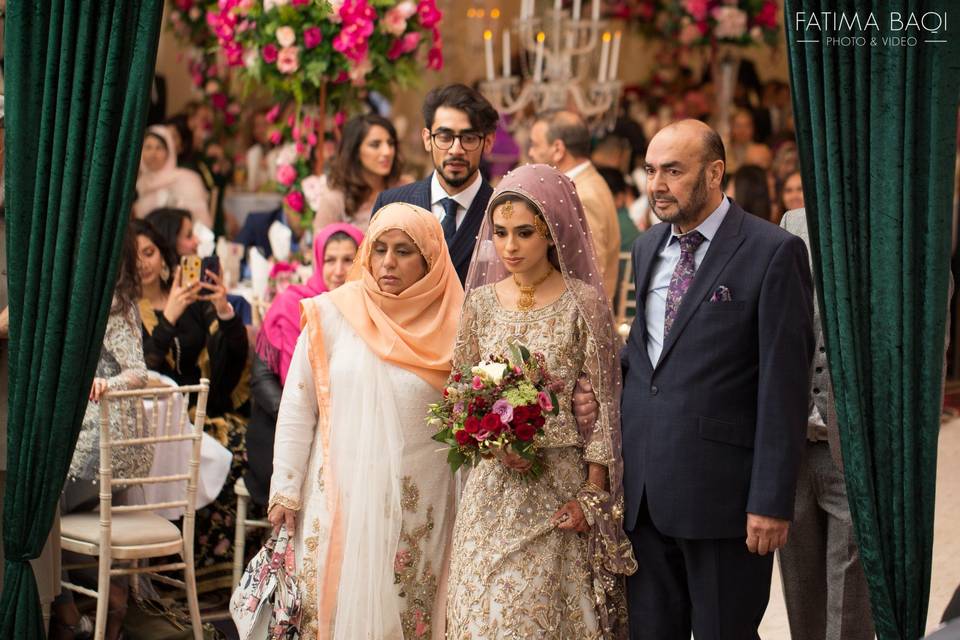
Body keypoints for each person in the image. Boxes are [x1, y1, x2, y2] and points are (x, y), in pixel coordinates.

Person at [618, 119, 814, 639]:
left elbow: (784, 386)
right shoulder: (646, 249)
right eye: (651, 170)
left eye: (673, 171)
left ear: (714, 173)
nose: (657, 184)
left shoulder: (772, 252)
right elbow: (650, 358)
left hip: (724, 500)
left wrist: (771, 501)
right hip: (643, 496)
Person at [445, 164, 636, 638]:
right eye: (502, 232)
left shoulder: (584, 303)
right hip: (490, 492)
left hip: (557, 489)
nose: (510, 247)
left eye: (525, 233)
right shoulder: (481, 303)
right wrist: (488, 441)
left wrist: (592, 495)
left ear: (552, 232)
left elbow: (605, 406)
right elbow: (459, 391)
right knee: (478, 614)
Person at [267, 203, 463, 639]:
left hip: (418, 506)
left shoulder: (457, 328)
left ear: (430, 261)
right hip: (337, 498)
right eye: (379, 249)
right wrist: (286, 489)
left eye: (404, 251)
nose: (388, 262)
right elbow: (298, 405)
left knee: (404, 608)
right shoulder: (332, 315)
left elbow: (466, 425)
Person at [778, 208, 875, 640]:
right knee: (802, 600)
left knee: (851, 606)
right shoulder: (794, 224)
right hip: (792, 447)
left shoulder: (901, 223)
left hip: (857, 450)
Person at [50, 227, 150, 640]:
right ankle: (99, 615)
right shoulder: (87, 300)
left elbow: (138, 372)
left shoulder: (110, 303)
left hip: (105, 442)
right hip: (105, 441)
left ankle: (68, 612)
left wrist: (104, 384)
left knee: (38, 503)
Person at [132, 220, 250, 569]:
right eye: (134, 257)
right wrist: (168, 319)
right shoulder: (124, 310)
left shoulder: (192, 301)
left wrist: (225, 312)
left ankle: (217, 572)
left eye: (149, 252)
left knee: (246, 449)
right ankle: (179, 565)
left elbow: (230, 365)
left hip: (203, 413)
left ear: (164, 254)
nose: (144, 263)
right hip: (155, 426)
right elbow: (142, 371)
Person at [244, 223, 363, 507]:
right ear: (318, 261)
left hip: (348, 431)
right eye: (330, 260)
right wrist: (308, 415)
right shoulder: (292, 304)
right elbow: (261, 378)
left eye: (348, 260)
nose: (338, 270)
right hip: (280, 426)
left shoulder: (367, 309)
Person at [372, 83, 499, 285]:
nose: (456, 149)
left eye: (468, 138)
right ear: (427, 139)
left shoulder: (500, 210)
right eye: (445, 137)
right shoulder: (391, 204)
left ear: (488, 142)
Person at [528, 110, 622, 301]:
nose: (530, 152)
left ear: (558, 149)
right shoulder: (584, 184)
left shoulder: (583, 195)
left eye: (536, 145)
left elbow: (590, 273)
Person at [309, 114, 403, 234]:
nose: (387, 151)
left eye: (390, 143)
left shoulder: (405, 188)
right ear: (355, 151)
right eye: (375, 145)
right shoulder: (336, 199)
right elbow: (321, 248)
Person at [133, 126, 212, 229]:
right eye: (148, 147)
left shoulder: (186, 179)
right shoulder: (139, 182)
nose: (153, 154)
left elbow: (201, 223)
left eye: (159, 148)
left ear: (169, 152)